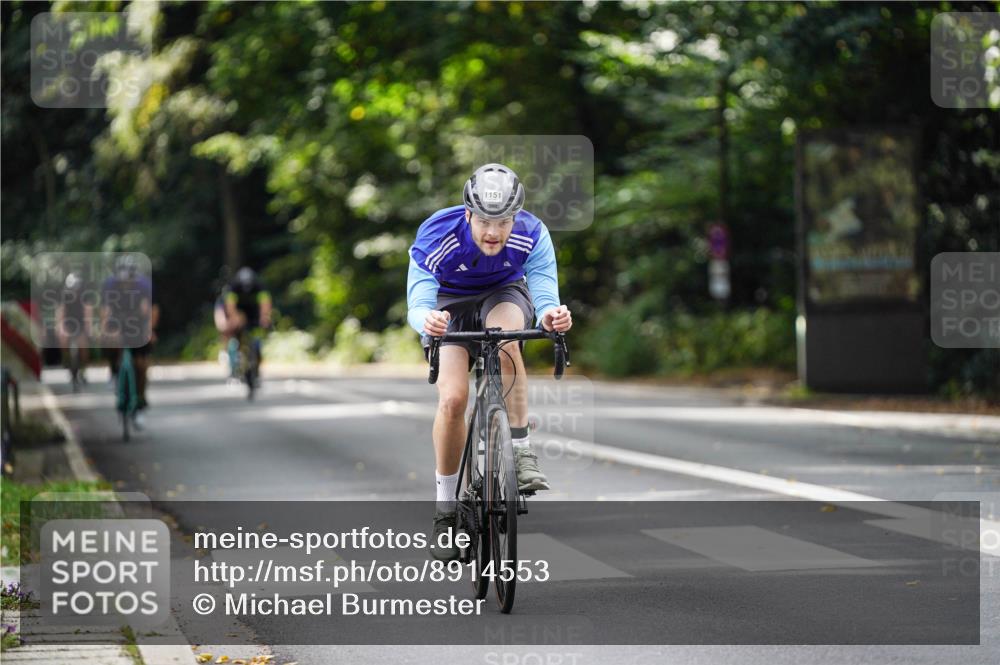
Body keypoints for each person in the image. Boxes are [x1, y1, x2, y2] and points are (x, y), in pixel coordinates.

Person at [406, 163, 573, 561]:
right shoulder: (438, 232)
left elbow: (545, 288)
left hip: (504, 294)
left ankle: (521, 449)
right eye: (483, 220)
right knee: (452, 400)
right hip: (448, 303)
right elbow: (419, 297)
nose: (493, 232)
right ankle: (446, 509)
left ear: (516, 217)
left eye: (503, 221)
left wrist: (550, 314)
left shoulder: (533, 234)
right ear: (468, 214)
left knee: (506, 341)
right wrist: (426, 320)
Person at [101, 255, 158, 428]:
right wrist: (107, 330)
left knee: (141, 364)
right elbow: (105, 312)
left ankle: (140, 401)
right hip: (117, 322)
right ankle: (114, 372)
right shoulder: (110, 286)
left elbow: (152, 310)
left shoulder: (143, 287)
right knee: (109, 340)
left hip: (137, 324)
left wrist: (149, 330)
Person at [221, 267, 272, 379]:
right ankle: (233, 362)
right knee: (233, 332)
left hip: (253, 312)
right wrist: (235, 318)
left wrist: (264, 317)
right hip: (238, 311)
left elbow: (265, 303)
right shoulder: (234, 287)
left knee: (256, 338)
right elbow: (230, 305)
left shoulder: (259, 286)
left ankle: (256, 361)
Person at [56, 272, 93, 386]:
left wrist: (88, 328)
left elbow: (88, 312)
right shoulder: (64, 296)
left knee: (83, 346)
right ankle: (67, 362)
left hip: (81, 323)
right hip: (68, 323)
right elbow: (60, 312)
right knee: (64, 340)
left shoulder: (84, 296)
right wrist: (60, 327)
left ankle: (83, 370)